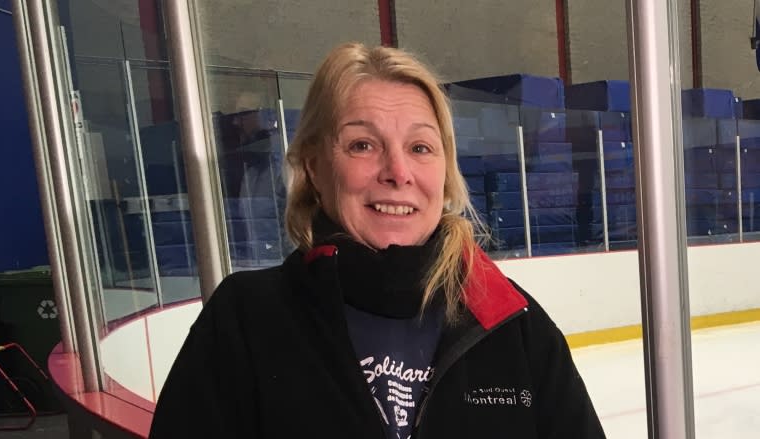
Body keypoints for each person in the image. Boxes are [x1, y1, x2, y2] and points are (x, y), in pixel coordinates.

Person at [149, 42, 605, 439]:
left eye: (420, 148)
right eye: (362, 145)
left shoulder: (512, 324)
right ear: (313, 167)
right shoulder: (245, 321)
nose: (398, 173)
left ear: (445, 174)